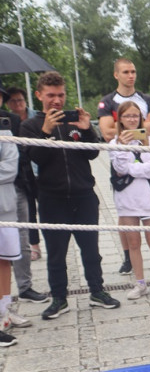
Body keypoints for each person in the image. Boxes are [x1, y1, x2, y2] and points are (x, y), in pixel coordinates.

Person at [20, 71, 121, 319]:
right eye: (51, 95)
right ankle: (59, 298)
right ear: (39, 95)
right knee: (56, 253)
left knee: (91, 249)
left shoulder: (72, 121)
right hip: (51, 198)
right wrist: (45, 132)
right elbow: (36, 158)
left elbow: (92, 154)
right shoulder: (30, 125)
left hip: (83, 194)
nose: (56, 100)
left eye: (61, 95)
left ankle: (97, 291)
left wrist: (87, 131)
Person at [96, 57, 150, 274]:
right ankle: (127, 256)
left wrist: (127, 129)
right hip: (121, 159)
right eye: (125, 72)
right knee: (125, 211)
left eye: (133, 71)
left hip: (146, 155)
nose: (130, 75)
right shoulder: (108, 100)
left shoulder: (147, 99)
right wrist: (139, 128)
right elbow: (107, 133)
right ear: (116, 75)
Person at [108, 101, 150, 300]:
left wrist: (134, 167)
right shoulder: (114, 143)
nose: (132, 119)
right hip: (126, 198)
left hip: (148, 197)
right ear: (120, 119)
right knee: (133, 242)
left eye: (135, 116)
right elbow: (120, 168)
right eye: (127, 116)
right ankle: (140, 283)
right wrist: (125, 148)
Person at [1, 85, 47, 306]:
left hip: (17, 185)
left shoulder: (10, 121)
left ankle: (24, 287)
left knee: (20, 240)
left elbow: (20, 155)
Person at [0, 109, 21, 345]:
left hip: (4, 207)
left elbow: (9, 169)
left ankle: (5, 311)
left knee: (5, 259)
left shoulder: (4, 129)